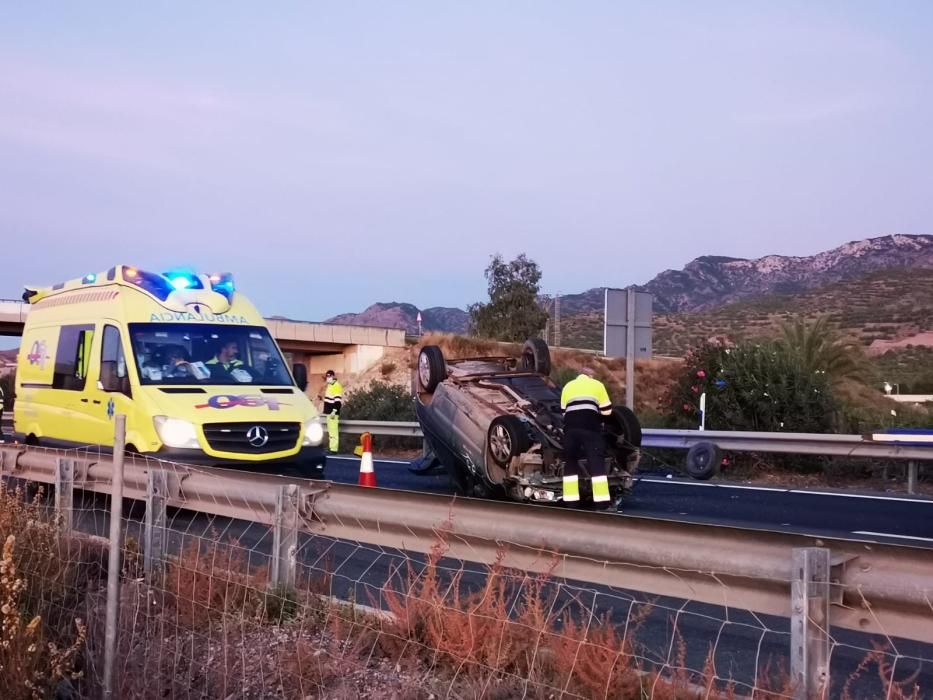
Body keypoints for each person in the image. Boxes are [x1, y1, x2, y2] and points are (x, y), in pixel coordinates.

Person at [560, 367, 614, 508]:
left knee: (570, 463)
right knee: (596, 464)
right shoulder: (597, 385)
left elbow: (563, 412)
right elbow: (607, 411)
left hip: (570, 430)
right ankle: (601, 503)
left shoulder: (567, 386)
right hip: (590, 429)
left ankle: (571, 502)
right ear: (590, 376)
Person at [322, 369, 343, 454]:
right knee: (331, 431)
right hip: (328, 412)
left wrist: (334, 411)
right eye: (327, 376)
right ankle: (331, 447)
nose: (328, 378)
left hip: (333, 413)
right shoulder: (330, 385)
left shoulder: (336, 385)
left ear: (333, 376)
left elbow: (338, 401)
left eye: (329, 376)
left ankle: (334, 449)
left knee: (333, 431)